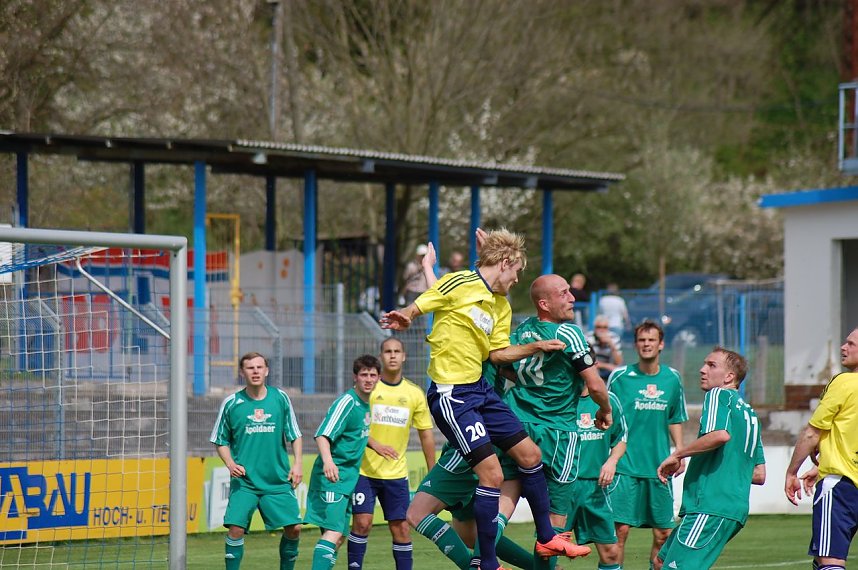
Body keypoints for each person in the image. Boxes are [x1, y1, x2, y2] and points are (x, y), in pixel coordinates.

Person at [381, 228, 601, 570]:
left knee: (530, 455)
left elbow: (498, 354)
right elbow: (432, 298)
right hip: (453, 395)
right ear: (505, 263)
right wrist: (407, 313)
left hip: (481, 394)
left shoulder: (501, 305)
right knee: (492, 477)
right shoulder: (460, 283)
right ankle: (486, 564)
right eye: (516, 272)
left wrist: (534, 347)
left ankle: (545, 537)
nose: (516, 281)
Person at [505, 274, 613, 537]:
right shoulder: (568, 332)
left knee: (504, 502)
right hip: (557, 432)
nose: (572, 298)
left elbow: (507, 369)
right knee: (556, 518)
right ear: (544, 303)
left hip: (516, 425)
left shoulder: (520, 332)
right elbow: (596, 385)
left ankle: (483, 560)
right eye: (564, 293)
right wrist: (605, 410)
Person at [654, 348, 766, 570]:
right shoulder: (750, 415)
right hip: (732, 510)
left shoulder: (718, 395)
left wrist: (677, 454)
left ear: (729, 377)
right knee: (660, 561)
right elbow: (759, 474)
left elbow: (719, 435)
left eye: (711, 365)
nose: (702, 369)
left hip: (709, 507)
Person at [347, 337, 436, 570]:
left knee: (401, 528)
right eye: (388, 351)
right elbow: (353, 424)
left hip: (396, 474)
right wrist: (374, 444)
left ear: (404, 356)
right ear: (381, 356)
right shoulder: (369, 388)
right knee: (362, 523)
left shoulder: (414, 393)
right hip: (364, 470)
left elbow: (426, 434)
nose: (393, 355)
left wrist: (432, 471)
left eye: (397, 351)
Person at [210, 352, 303, 570]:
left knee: (295, 528)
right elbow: (219, 439)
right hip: (246, 482)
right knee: (235, 528)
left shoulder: (280, 398)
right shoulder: (232, 403)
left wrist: (297, 464)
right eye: (250, 368)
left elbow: (295, 434)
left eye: (259, 367)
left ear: (267, 371)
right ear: (242, 373)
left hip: (277, 480)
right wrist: (230, 464)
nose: (255, 371)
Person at [607, 320, 688, 569]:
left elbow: (675, 417)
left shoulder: (672, 378)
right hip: (625, 467)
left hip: (659, 468)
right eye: (642, 340)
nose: (646, 344)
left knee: (663, 534)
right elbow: (606, 416)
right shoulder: (619, 377)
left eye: (651, 340)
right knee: (619, 532)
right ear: (635, 344)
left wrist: (680, 452)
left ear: (661, 344)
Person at [785, 327, 858, 570]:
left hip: (840, 486)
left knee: (830, 561)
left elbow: (812, 432)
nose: (843, 347)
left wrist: (792, 471)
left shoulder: (844, 383)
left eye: (851, 344)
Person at [304, 355, 380, 570]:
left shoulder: (366, 404)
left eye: (372, 375)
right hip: (333, 477)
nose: (368, 379)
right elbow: (322, 435)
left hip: (347, 479)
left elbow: (354, 434)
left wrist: (376, 445)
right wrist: (329, 463)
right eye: (363, 374)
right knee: (334, 532)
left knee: (338, 538)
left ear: (378, 378)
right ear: (355, 377)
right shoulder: (347, 402)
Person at [564, 385, 628, 570]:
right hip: (563, 487)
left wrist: (612, 461)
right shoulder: (558, 397)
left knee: (611, 553)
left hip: (596, 488)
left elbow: (621, 438)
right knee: (549, 551)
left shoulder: (608, 400)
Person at [587, 315, 624, 382]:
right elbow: (588, 362)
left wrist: (611, 344)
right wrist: (607, 366)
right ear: (595, 328)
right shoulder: (589, 338)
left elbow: (619, 362)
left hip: (609, 369)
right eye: (599, 327)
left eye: (605, 327)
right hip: (594, 368)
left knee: (619, 371)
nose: (602, 330)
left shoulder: (614, 338)